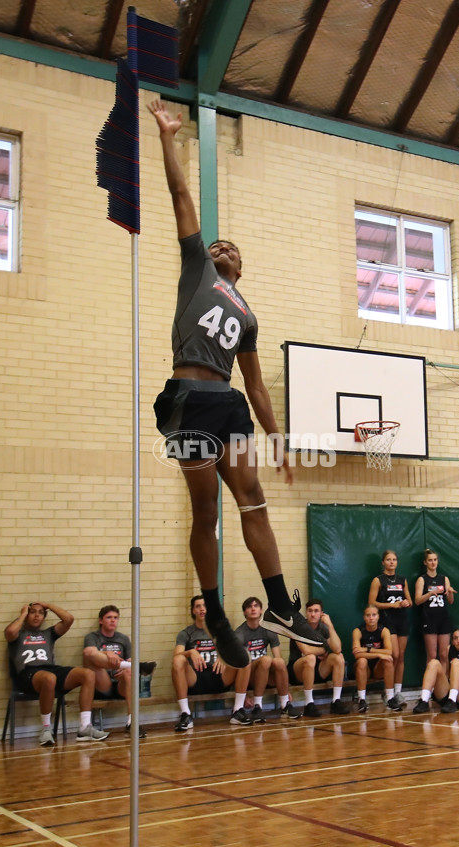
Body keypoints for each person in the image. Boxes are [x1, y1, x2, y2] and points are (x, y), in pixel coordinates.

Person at [147, 98, 322, 670]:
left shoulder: (246, 315)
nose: (222, 246)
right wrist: (169, 137)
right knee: (206, 513)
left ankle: (277, 605)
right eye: (219, 243)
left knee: (255, 500)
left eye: (232, 249)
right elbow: (179, 197)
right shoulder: (196, 267)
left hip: (230, 404)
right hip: (189, 398)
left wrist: (278, 438)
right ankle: (216, 612)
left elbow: (258, 384)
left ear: (241, 270)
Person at [5, 601, 109, 746]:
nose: (36, 615)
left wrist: (48, 605)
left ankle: (85, 727)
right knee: (49, 678)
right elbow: (9, 632)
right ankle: (46, 730)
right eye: (33, 612)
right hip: (27, 674)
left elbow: (68, 619)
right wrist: (23, 614)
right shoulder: (18, 634)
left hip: (49, 669)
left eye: (41, 613)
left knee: (88, 674)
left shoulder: (48, 634)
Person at [172, 595, 253, 731]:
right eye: (198, 606)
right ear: (193, 611)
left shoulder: (219, 632)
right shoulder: (185, 634)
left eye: (205, 606)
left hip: (219, 676)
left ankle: (237, 711)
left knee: (244, 657)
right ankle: (186, 714)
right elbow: (177, 656)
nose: (202, 609)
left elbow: (235, 651)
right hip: (196, 679)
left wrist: (223, 656)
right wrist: (190, 652)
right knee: (178, 660)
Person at [83, 605, 157, 738]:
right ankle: (140, 667)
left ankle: (132, 722)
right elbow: (89, 654)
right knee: (90, 653)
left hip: (120, 683)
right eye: (109, 617)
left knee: (129, 671)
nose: (113, 621)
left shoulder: (123, 639)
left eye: (116, 618)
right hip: (102, 682)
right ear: (101, 620)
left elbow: (130, 661)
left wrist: (123, 669)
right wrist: (107, 653)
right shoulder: (92, 637)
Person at [235, 596, 301, 720]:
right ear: (244, 612)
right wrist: (243, 696)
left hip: (265, 674)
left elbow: (278, 657)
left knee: (279, 662)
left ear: (261, 610)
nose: (253, 609)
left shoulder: (268, 629)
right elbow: (239, 666)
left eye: (256, 606)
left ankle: (285, 704)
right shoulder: (240, 633)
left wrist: (285, 688)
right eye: (249, 607)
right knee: (266, 660)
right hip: (249, 676)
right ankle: (257, 707)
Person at [287, 599, 349, 718]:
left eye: (316, 611)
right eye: (310, 611)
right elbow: (306, 650)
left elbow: (337, 649)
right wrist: (324, 648)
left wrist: (330, 626)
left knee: (338, 657)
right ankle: (308, 704)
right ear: (306, 613)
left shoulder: (323, 628)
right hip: (297, 669)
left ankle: (336, 701)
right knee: (310, 658)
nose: (313, 614)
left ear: (321, 613)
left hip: (317, 668)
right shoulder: (297, 627)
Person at [368, 549, 412, 706]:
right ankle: (388, 692)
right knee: (393, 654)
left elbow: (410, 600)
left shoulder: (402, 579)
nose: (392, 562)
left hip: (402, 620)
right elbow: (372, 603)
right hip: (388, 620)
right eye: (388, 559)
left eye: (394, 559)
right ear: (383, 562)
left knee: (401, 656)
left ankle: (398, 691)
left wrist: (406, 602)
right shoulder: (378, 580)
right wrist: (390, 605)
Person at [352, 605, 402, 712]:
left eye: (374, 615)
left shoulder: (384, 631)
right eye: (368, 615)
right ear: (364, 617)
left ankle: (390, 698)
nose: (371, 618)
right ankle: (361, 700)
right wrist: (379, 654)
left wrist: (367, 650)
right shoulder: (358, 631)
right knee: (361, 661)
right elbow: (357, 654)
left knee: (388, 660)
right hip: (364, 669)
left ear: (378, 617)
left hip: (378, 668)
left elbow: (389, 651)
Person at [414, 549, 455, 671]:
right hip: (429, 618)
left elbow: (450, 601)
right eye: (430, 560)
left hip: (443, 618)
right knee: (432, 656)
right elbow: (417, 600)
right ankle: (430, 687)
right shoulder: (422, 579)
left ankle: (443, 686)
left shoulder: (444, 579)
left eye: (435, 560)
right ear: (425, 562)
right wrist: (430, 593)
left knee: (444, 655)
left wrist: (450, 593)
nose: (433, 563)